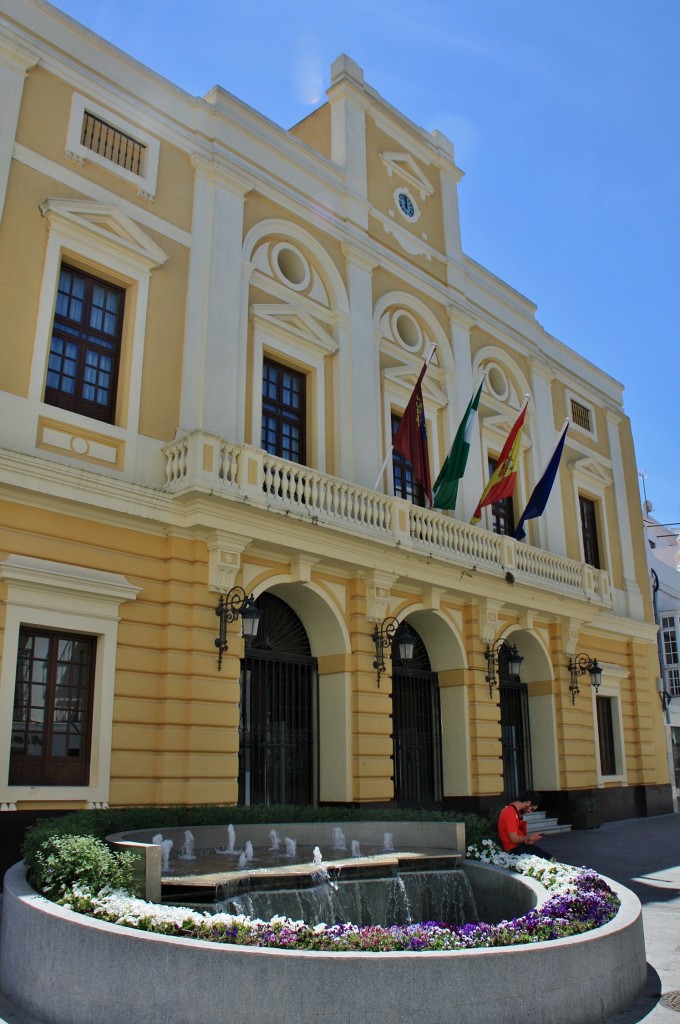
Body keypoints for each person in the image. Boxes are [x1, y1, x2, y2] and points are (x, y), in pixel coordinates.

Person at [497, 789, 552, 859]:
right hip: (513, 849)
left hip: (518, 847)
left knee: (550, 858)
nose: (530, 812)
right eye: (532, 809)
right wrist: (530, 837)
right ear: (528, 803)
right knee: (549, 859)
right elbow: (514, 839)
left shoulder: (515, 812)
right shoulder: (510, 812)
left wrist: (526, 840)